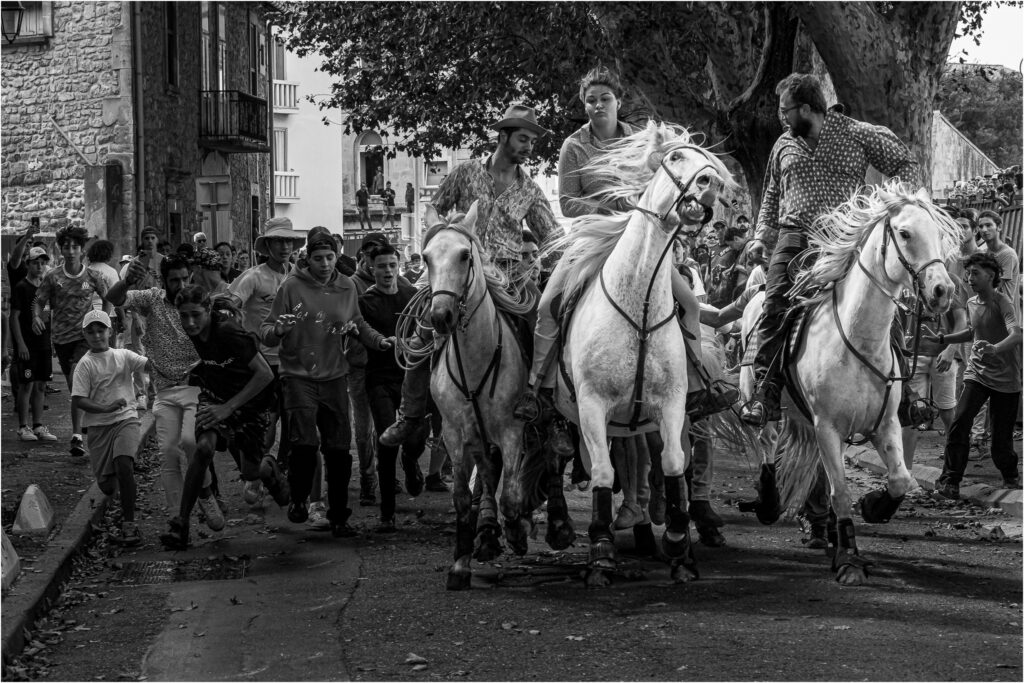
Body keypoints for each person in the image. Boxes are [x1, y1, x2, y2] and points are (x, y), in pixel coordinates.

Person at [516, 66, 734, 432]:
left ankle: (699, 388)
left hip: (638, 239)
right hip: (593, 239)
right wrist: (614, 210)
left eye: (604, 98)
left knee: (692, 303)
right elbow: (569, 203)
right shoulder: (574, 145)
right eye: (590, 100)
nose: (597, 105)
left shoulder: (640, 140)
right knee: (548, 305)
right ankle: (538, 387)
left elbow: (663, 190)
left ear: (618, 102)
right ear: (584, 106)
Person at [741, 73, 921, 426]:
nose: (781, 118)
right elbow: (772, 195)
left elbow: (905, 163)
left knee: (884, 300)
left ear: (806, 108)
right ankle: (765, 390)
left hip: (845, 238)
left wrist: (899, 205)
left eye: (785, 111)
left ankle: (905, 395)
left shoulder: (856, 133)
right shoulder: (783, 145)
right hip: (794, 236)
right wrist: (761, 235)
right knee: (774, 301)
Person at [380, 102, 559, 446]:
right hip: (459, 271)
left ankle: (546, 412)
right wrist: (441, 238)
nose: (528, 147)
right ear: (503, 136)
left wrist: (571, 261)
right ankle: (411, 415)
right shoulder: (466, 173)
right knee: (421, 330)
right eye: (523, 139)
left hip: (508, 277)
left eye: (532, 142)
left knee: (544, 327)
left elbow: (551, 235)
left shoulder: (531, 190)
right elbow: (435, 207)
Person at [260, 228, 393, 537]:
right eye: (318, 258)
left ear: (337, 257)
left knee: (338, 450)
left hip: (334, 374)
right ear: (308, 259)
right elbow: (267, 330)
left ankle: (339, 516)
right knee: (305, 442)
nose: (324, 264)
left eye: (330, 257)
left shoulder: (346, 287)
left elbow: (357, 324)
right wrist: (278, 331)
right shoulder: (291, 287)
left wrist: (379, 341)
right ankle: (299, 499)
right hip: (297, 375)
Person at [107, 255, 224, 536]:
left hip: (197, 388)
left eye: (185, 278)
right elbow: (114, 298)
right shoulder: (152, 300)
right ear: (164, 281)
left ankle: (205, 492)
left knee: (190, 442)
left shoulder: (199, 302)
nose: (181, 284)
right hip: (164, 391)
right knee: (168, 453)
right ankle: (176, 519)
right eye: (175, 280)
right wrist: (126, 281)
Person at [160, 285, 282, 550]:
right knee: (202, 448)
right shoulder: (191, 334)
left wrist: (228, 408)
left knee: (251, 471)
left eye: (195, 315)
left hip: (250, 400)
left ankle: (270, 470)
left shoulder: (228, 332)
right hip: (215, 395)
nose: (190, 322)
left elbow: (265, 375)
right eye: (183, 316)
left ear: (207, 311)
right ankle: (181, 525)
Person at [227, 217, 303, 515]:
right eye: (278, 241)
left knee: (294, 425)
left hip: (294, 361)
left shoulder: (298, 276)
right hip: (261, 363)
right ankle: (256, 476)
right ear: (267, 246)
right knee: (266, 429)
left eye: (289, 241)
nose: (285, 246)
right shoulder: (253, 277)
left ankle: (279, 472)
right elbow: (230, 303)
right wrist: (242, 340)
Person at [931, 252, 1022, 499]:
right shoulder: (971, 303)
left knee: (1000, 444)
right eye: (968, 273)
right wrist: (942, 339)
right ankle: (950, 481)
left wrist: (995, 348)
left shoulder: (1003, 302)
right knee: (960, 423)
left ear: (990, 276)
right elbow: (972, 332)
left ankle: (1010, 474)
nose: (969, 278)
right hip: (977, 373)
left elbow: (1017, 334)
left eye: (975, 273)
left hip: (1006, 380)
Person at [359, 244, 424, 531]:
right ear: (371, 268)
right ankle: (387, 512)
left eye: (391, 265)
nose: (387, 271)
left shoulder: (412, 297)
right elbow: (361, 331)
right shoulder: (366, 301)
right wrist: (382, 341)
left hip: (411, 378)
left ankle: (411, 461)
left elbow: (427, 331)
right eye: (381, 266)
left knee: (415, 440)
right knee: (386, 441)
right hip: (379, 379)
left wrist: (413, 343)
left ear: (398, 266)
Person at [71, 310, 149, 546]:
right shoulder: (85, 365)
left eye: (101, 330)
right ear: (84, 334)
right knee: (106, 486)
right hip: (98, 428)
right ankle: (122, 490)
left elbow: (149, 366)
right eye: (91, 331)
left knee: (124, 464)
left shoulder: (123, 355)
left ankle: (129, 524)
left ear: (110, 331)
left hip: (126, 419)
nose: (97, 336)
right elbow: (78, 400)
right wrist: (105, 409)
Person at [33, 226, 111, 458]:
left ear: (81, 249)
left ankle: (77, 435)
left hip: (86, 337)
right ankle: (85, 425)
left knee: (78, 375)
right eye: (66, 246)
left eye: (74, 246)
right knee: (74, 387)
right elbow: (38, 300)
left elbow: (108, 299)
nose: (70, 250)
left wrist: (104, 322)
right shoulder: (52, 276)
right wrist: (36, 315)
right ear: (61, 248)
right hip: (61, 338)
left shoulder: (94, 276)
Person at [10, 247, 58, 442]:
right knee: (26, 384)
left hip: (43, 343)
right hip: (28, 344)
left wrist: (53, 339)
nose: (39, 266)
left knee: (41, 385)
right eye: (35, 262)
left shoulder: (46, 286)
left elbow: (50, 314)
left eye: (42, 263)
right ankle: (23, 426)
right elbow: (14, 317)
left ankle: (38, 425)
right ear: (27, 264)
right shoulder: (21, 287)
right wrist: (20, 344)